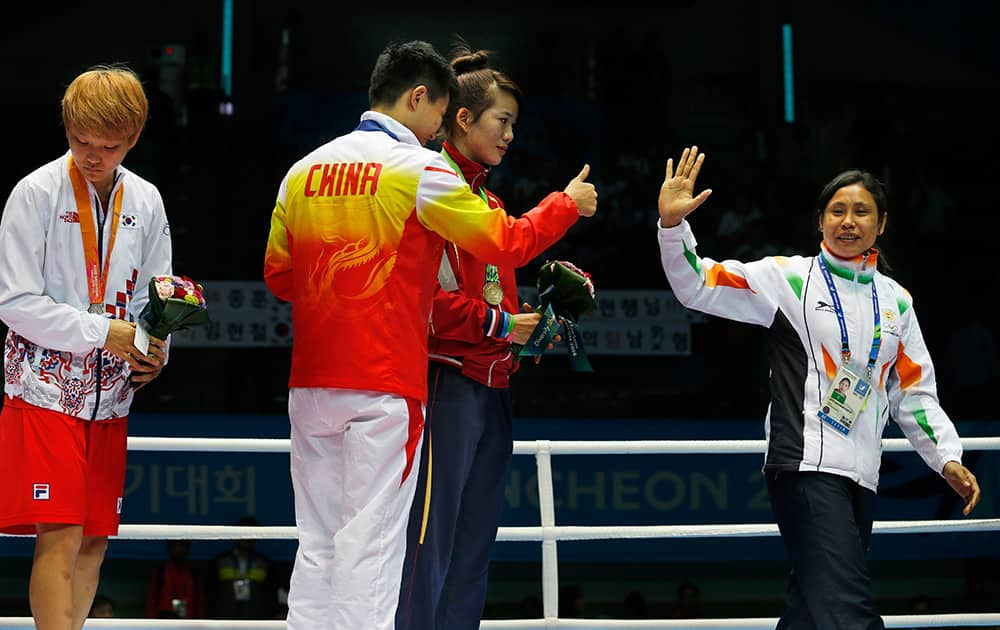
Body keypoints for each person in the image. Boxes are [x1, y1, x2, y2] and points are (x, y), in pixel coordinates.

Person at [263, 40, 596, 630]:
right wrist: (565, 205)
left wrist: (353, 282)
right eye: (439, 117)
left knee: (318, 544)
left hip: (311, 383)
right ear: (420, 98)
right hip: (386, 382)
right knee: (373, 546)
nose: (437, 130)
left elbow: (282, 278)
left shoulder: (302, 170)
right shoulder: (419, 168)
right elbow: (510, 243)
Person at [656, 146, 980, 629]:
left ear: (882, 223)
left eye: (862, 211)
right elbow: (698, 285)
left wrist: (947, 458)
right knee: (849, 610)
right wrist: (672, 228)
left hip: (863, 475)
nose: (848, 221)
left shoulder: (898, 303)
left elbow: (914, 392)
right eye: (838, 211)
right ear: (821, 221)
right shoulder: (786, 278)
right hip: (803, 465)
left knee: (811, 612)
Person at [394, 44, 592, 630]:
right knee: (429, 542)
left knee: (473, 547)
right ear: (463, 118)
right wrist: (503, 324)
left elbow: (490, 302)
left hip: (492, 388)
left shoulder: (489, 200)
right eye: (502, 121)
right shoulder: (431, 185)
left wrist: (528, 328)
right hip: (443, 384)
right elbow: (425, 305)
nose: (509, 136)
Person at [0, 64, 171, 630]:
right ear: (67, 127)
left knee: (95, 540)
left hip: (113, 395)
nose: (92, 156)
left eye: (108, 146)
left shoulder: (147, 200)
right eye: (80, 142)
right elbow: (15, 302)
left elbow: (157, 295)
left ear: (135, 138)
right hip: (44, 390)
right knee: (61, 533)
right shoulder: (36, 193)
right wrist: (104, 332)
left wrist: (155, 347)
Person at [208, 515, 276, 619]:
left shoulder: (265, 564)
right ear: (236, 535)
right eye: (243, 534)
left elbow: (270, 595)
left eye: (251, 534)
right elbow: (211, 593)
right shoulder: (220, 562)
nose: (247, 538)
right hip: (226, 619)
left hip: (256, 619)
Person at [145, 540, 206, 618]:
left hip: (189, 622)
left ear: (188, 549)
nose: (180, 549)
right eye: (176, 546)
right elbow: (151, 601)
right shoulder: (160, 572)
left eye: (183, 546)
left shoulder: (194, 574)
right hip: (164, 622)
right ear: (170, 548)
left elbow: (200, 604)